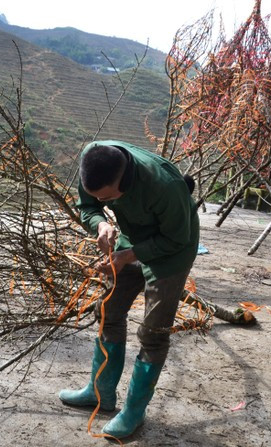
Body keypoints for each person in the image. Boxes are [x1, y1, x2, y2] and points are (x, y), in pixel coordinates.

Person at [59, 140, 199, 439]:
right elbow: (88, 205)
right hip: (131, 239)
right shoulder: (93, 159)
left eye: (108, 198)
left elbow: (176, 239)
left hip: (171, 251)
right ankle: (101, 393)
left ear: (127, 180)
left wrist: (129, 255)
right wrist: (100, 224)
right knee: (108, 310)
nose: (104, 201)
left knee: (153, 333)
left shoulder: (165, 185)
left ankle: (134, 412)